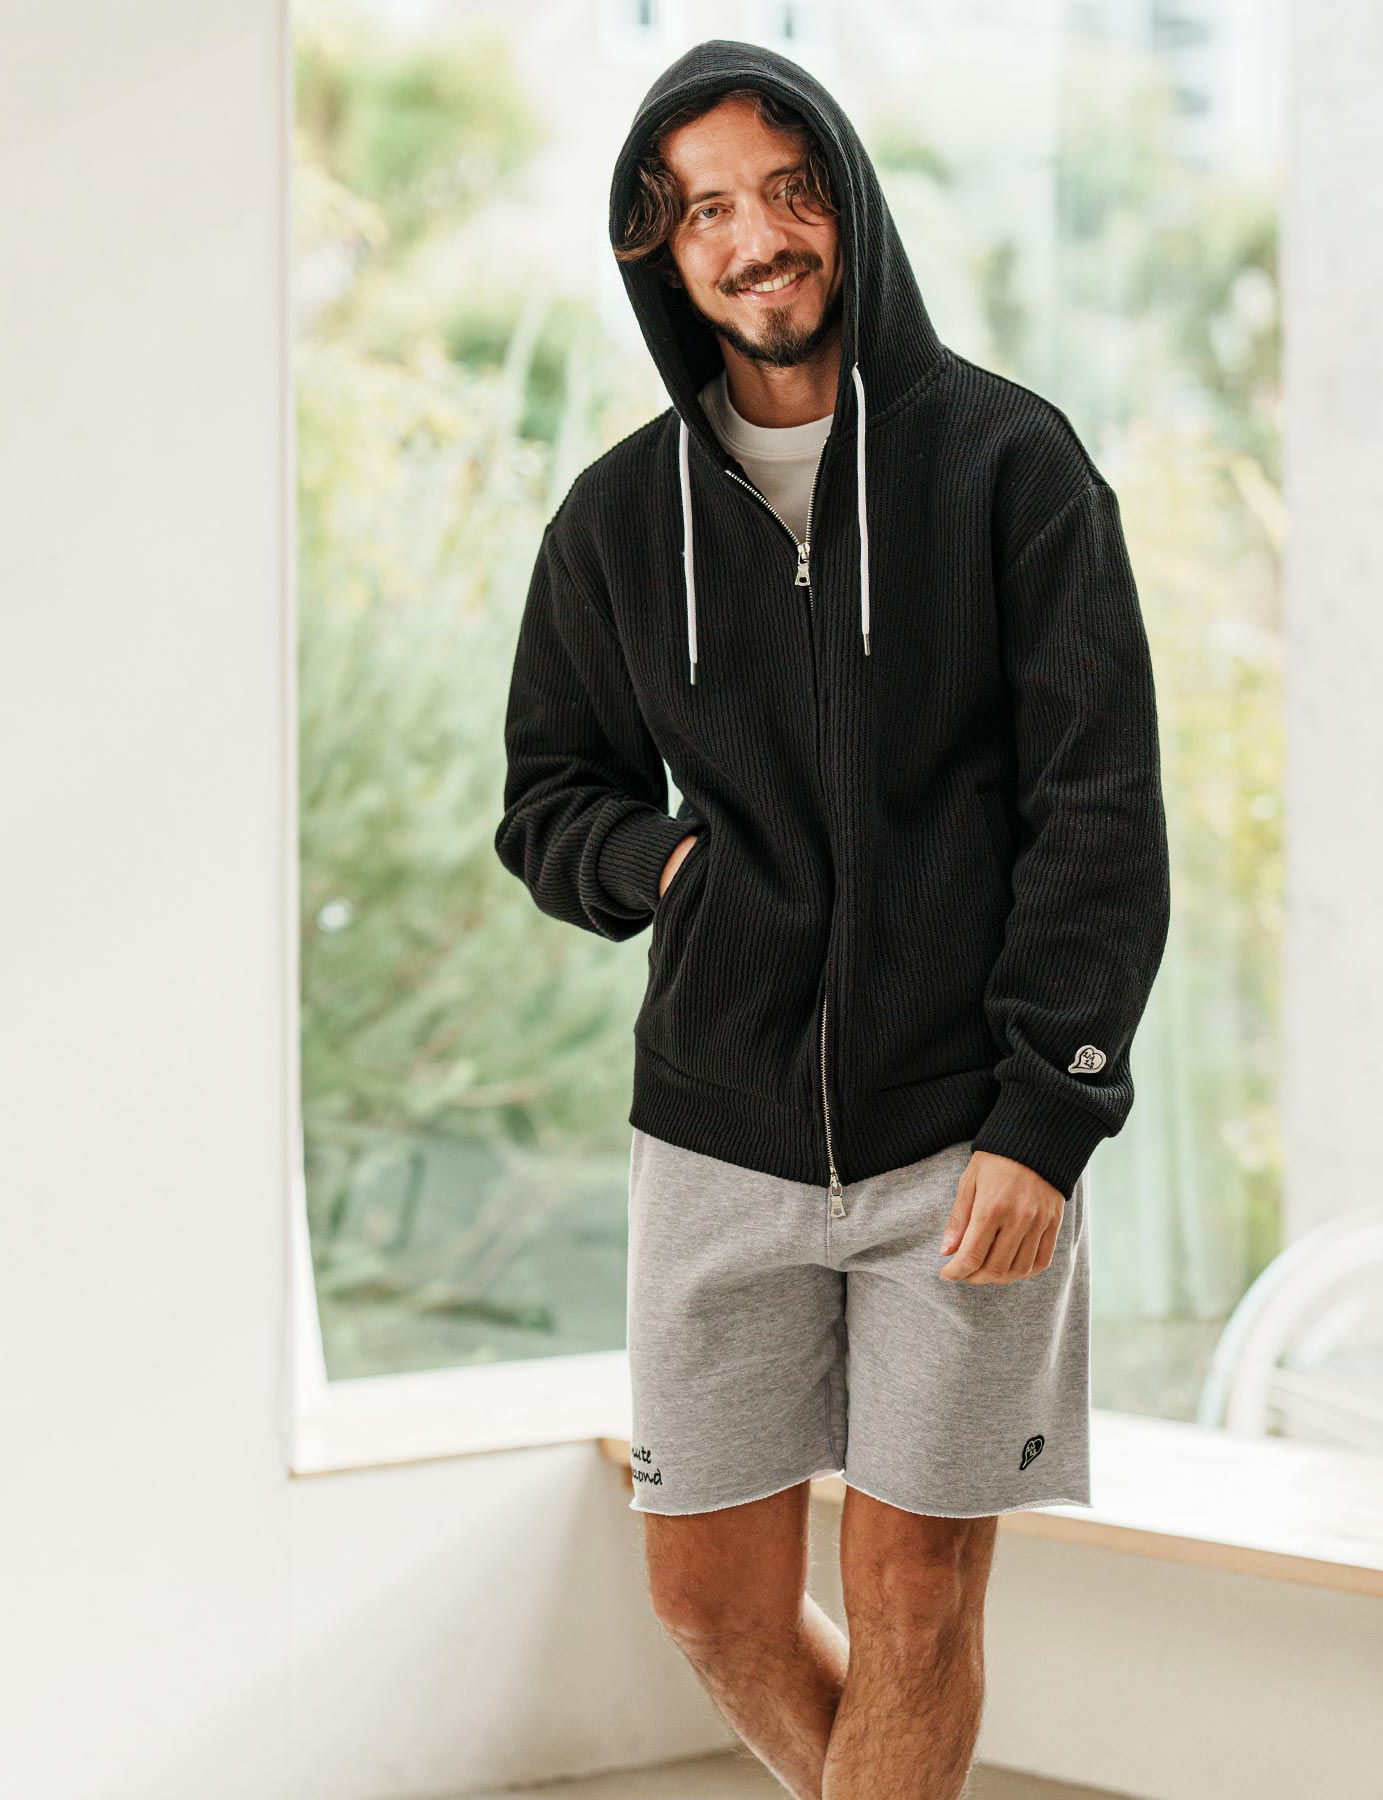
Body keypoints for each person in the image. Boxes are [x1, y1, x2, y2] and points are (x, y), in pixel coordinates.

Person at [494, 37, 1170, 1800]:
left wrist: (1049, 1114)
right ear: (664, 251)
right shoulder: (621, 517)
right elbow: (547, 796)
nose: (759, 238)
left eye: (790, 191)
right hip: (714, 1131)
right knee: (706, 1596)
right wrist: (667, 872)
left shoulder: (1009, 465)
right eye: (709, 209)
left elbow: (1099, 812)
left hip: (963, 1140)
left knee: (916, 1595)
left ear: (849, 205)